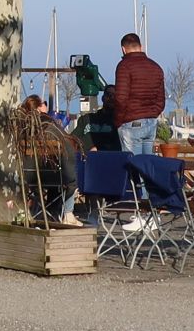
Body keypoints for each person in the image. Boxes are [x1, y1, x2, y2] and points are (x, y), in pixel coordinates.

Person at [17, 95, 83, 226]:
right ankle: (67, 213)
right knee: (68, 177)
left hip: (28, 176)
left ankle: (48, 212)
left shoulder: (23, 128)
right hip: (53, 176)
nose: (46, 105)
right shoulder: (50, 125)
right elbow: (67, 150)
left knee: (59, 176)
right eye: (44, 103)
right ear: (39, 107)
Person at [113, 32, 165, 155]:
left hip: (131, 122)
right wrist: (152, 114)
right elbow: (161, 100)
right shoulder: (156, 67)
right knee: (147, 166)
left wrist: (118, 121)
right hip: (151, 122)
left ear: (123, 49)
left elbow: (121, 99)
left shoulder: (124, 66)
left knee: (133, 165)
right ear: (141, 47)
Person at [72, 84, 122, 153]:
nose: (111, 98)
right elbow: (72, 139)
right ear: (102, 98)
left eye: (115, 96)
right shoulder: (86, 119)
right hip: (83, 159)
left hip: (107, 159)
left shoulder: (120, 122)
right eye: (109, 94)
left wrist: (98, 149)